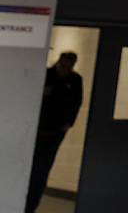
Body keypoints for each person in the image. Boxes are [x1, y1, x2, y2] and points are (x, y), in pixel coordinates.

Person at [25, 51, 83, 213]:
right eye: (63, 66)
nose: (65, 70)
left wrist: (68, 123)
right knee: (28, 168)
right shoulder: (47, 76)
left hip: (55, 132)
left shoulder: (75, 80)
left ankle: (30, 206)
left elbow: (76, 104)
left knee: (41, 171)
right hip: (36, 130)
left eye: (69, 67)